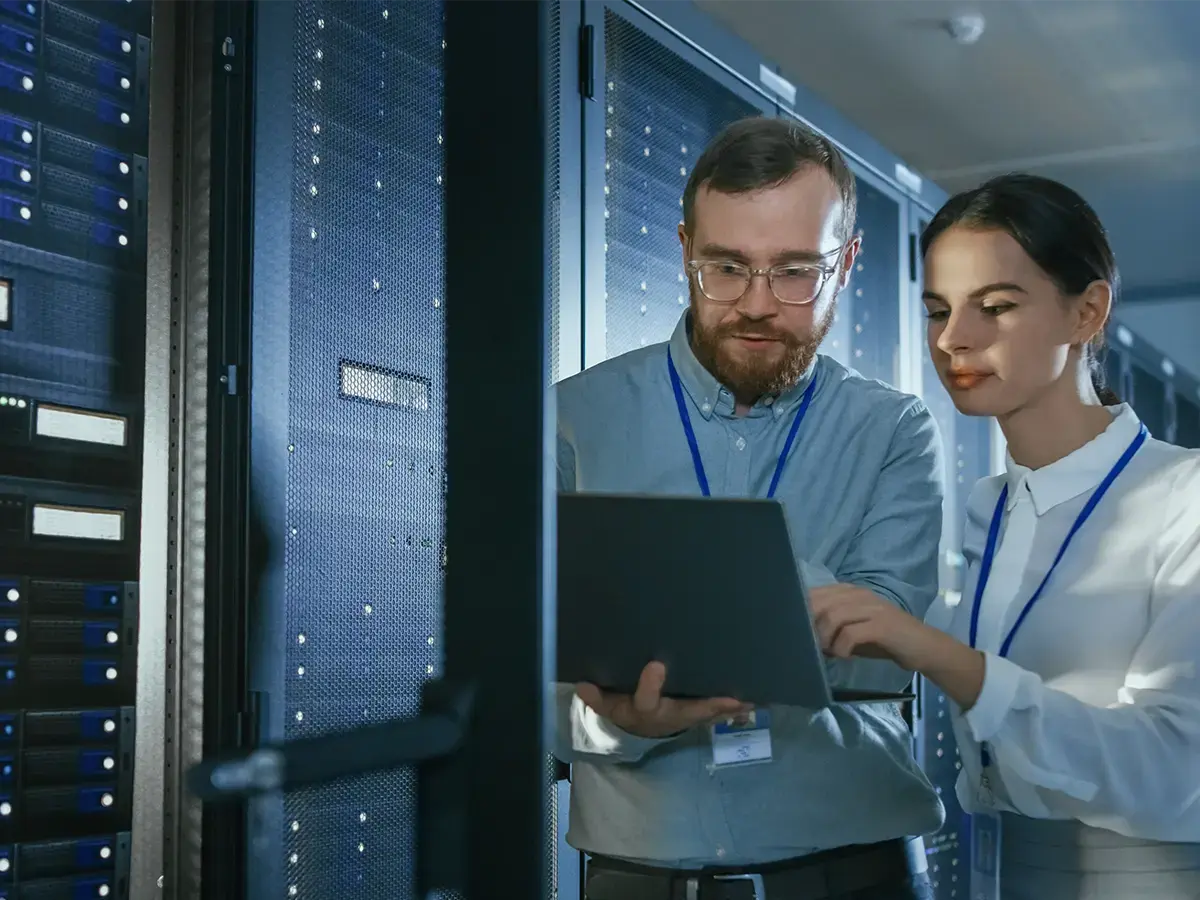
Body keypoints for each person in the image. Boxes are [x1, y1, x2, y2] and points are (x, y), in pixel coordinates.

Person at [554, 115, 945, 900]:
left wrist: (691, 592)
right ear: (685, 251)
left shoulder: (894, 429)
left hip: (851, 877)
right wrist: (619, 721)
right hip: (639, 882)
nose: (758, 304)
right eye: (726, 268)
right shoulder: (568, 421)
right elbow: (518, 674)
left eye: (796, 272)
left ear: (847, 264)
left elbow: (885, 637)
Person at [810, 173, 1200, 899]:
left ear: (1087, 312)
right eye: (937, 310)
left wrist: (933, 651)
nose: (952, 339)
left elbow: (1175, 766)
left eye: (995, 307)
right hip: (1003, 873)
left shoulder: (1187, 496)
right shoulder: (991, 507)